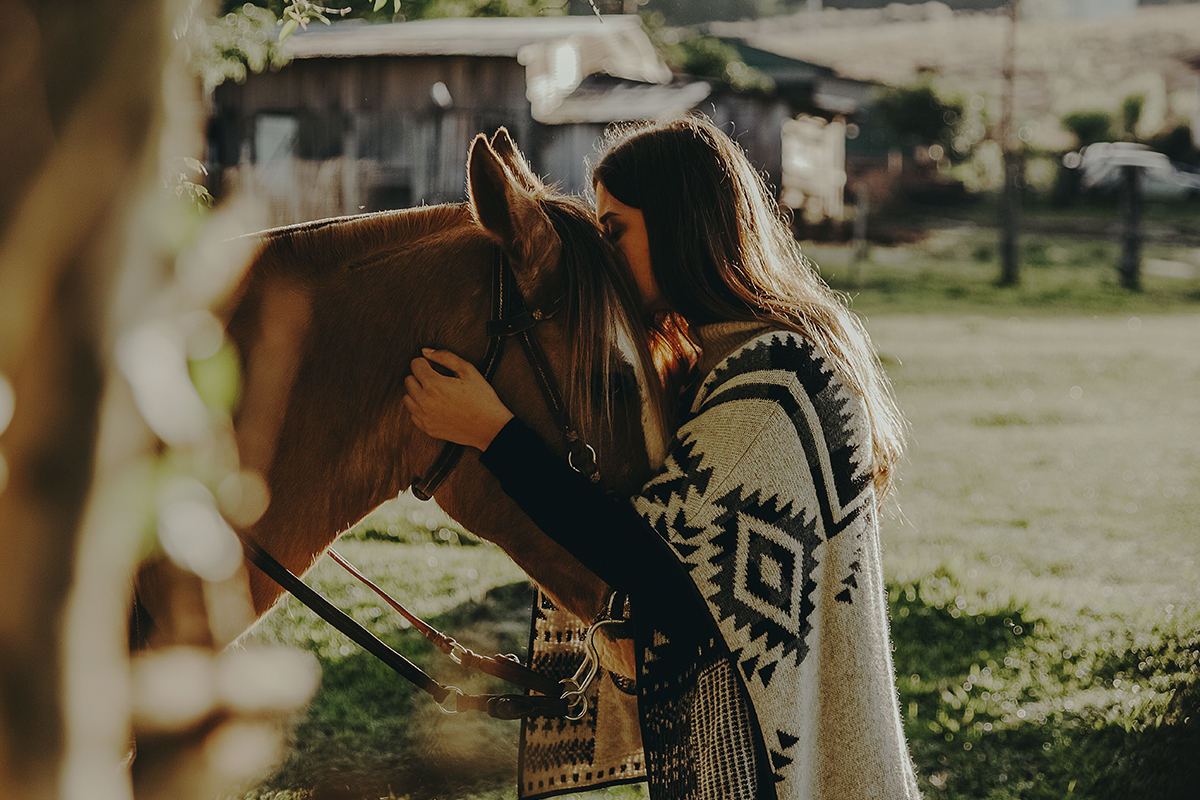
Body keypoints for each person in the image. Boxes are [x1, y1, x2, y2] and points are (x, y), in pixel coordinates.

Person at [404, 114, 920, 800]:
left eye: (615, 230)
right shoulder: (737, 363)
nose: (605, 252)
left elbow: (653, 562)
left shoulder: (774, 385)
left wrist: (492, 433)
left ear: (680, 227)